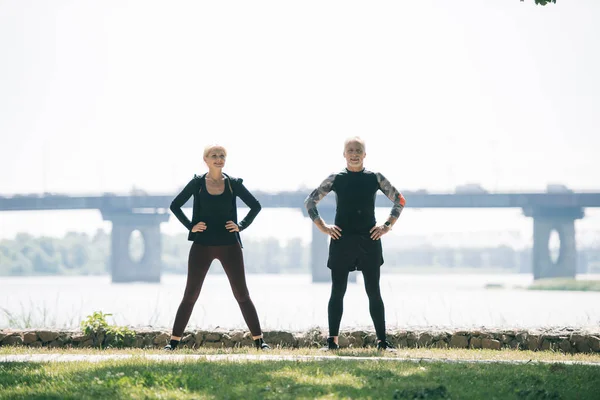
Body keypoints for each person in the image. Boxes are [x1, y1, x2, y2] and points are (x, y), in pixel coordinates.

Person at [304, 137, 406, 351]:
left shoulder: (375, 178)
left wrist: (386, 226)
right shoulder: (335, 179)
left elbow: (400, 200)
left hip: (370, 240)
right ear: (344, 154)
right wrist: (323, 227)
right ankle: (332, 342)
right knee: (337, 290)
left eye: (358, 150)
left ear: (365, 154)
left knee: (373, 291)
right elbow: (310, 201)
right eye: (350, 150)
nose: (354, 153)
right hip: (341, 240)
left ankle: (382, 342)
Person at [165, 144, 270, 350]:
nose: (218, 159)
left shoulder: (233, 184)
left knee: (242, 294)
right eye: (214, 155)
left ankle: (259, 341)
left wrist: (240, 226)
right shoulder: (197, 183)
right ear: (205, 159)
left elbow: (255, 206)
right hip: (202, 245)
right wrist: (191, 227)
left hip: (229, 245)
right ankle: (173, 343)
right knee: (190, 295)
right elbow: (175, 205)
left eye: (222, 156)